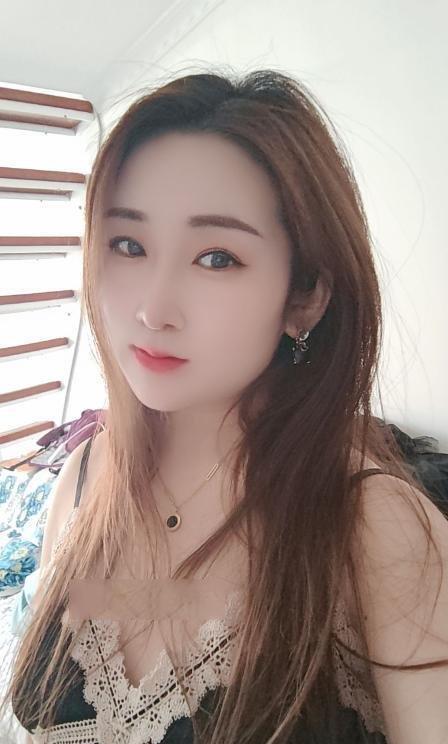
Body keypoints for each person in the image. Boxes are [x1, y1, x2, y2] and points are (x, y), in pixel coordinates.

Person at [2, 68, 448, 744]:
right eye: (128, 244)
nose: (153, 309)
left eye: (216, 258)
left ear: (305, 298)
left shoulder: (376, 530)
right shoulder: (84, 478)